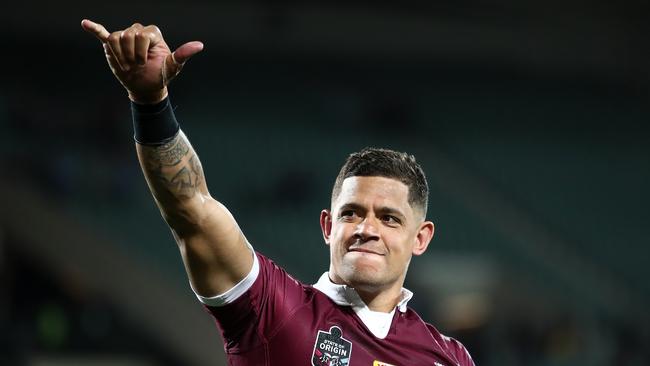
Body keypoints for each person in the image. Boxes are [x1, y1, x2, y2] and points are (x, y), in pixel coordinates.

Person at [81, 19, 475, 366]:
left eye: (388, 218)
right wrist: (151, 104)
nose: (366, 228)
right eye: (351, 213)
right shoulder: (271, 309)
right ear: (327, 225)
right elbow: (191, 209)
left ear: (420, 237)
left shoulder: (449, 358)